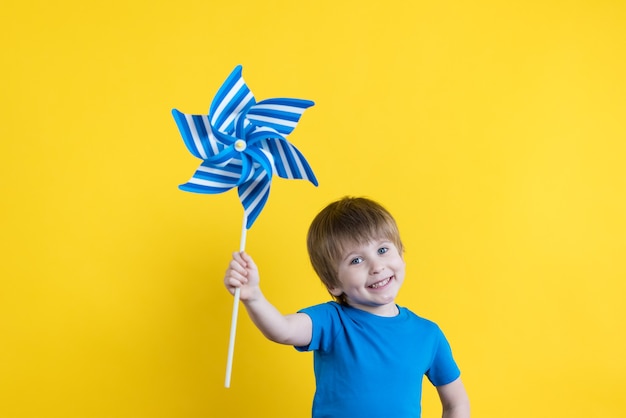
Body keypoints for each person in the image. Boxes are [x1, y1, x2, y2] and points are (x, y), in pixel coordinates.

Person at [224, 196, 470, 418]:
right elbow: (283, 330)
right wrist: (254, 297)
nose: (376, 266)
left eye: (383, 250)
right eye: (356, 260)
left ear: (402, 254)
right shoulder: (331, 321)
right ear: (333, 283)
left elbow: (457, 403)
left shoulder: (428, 334)